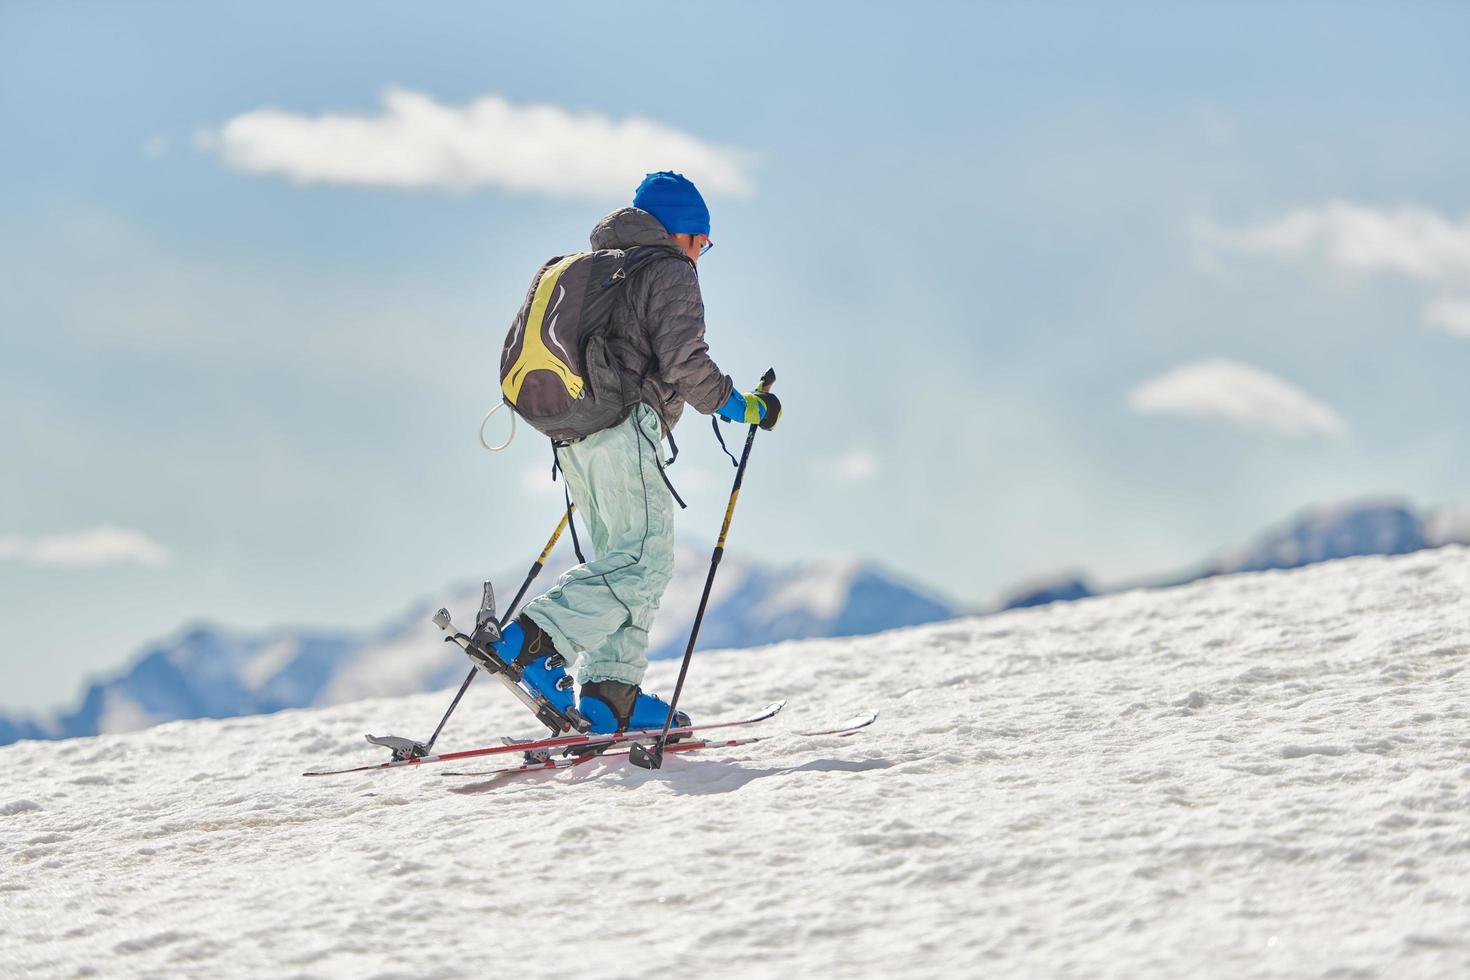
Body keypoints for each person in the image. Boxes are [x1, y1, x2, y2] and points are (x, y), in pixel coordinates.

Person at [487, 171, 781, 735]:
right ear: (684, 233)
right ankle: (533, 641)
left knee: (625, 560)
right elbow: (684, 361)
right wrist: (740, 406)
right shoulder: (668, 270)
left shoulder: (603, 270)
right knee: (644, 561)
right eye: (703, 241)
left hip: (574, 435)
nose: (702, 253)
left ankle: (611, 694)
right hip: (623, 428)